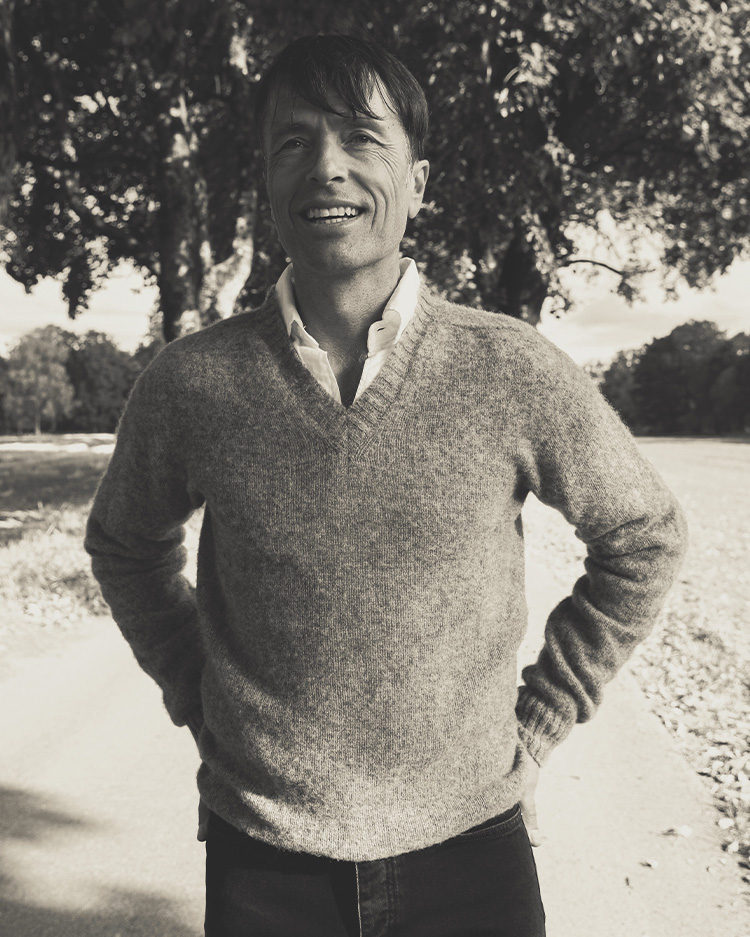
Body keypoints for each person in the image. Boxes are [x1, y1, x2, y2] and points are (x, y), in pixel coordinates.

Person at [85, 33, 688, 937]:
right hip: (265, 862)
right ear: (266, 182)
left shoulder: (509, 366)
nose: (325, 166)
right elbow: (124, 545)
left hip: (472, 851)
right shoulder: (191, 383)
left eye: (361, 137)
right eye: (293, 142)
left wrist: (542, 718)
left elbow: (644, 536)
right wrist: (200, 696)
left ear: (418, 182)